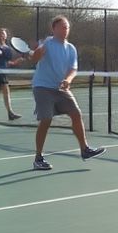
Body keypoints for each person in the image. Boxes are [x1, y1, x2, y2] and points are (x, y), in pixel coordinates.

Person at [28, 16, 105, 171]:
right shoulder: (47, 43)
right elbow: (34, 59)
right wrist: (38, 52)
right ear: (54, 28)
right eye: (63, 27)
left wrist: (68, 79)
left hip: (61, 88)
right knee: (46, 120)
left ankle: (85, 149)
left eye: (67, 27)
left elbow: (73, 69)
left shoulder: (71, 48)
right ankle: (38, 158)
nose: (66, 30)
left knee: (76, 114)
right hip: (42, 87)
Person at [0, 28, 24, 122]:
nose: (1, 35)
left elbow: (7, 62)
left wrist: (15, 62)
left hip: (3, 72)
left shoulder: (8, 49)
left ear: (6, 36)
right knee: (5, 90)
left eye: (3, 34)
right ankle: (10, 113)